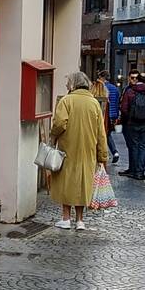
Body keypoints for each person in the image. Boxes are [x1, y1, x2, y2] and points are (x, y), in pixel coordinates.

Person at [48, 71, 110, 232]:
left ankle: (66, 218)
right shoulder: (94, 103)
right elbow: (100, 132)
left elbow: (60, 123)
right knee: (83, 184)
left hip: (67, 148)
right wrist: (103, 155)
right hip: (88, 150)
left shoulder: (66, 101)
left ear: (73, 84)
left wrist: (53, 136)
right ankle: (80, 220)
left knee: (66, 182)